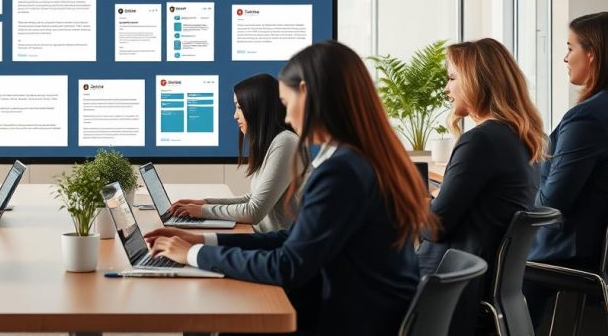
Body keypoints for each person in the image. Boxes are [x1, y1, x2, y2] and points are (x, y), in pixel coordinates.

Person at [146, 41, 436, 336]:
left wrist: (193, 254)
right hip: (364, 311)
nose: (285, 118)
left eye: (286, 104)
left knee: (222, 309)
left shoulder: (343, 170)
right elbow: (293, 238)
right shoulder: (361, 158)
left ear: (307, 94)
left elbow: (288, 265)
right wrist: (203, 240)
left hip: (345, 320)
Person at [417, 38, 544, 336]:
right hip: (481, 280)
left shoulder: (481, 140)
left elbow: (434, 228)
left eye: (451, 78)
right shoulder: (522, 138)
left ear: (476, 81)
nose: (447, 89)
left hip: (449, 281)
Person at [526, 11, 608, 323]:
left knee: (481, 257)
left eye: (571, 48)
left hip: (573, 249)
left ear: (592, 54)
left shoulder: (588, 117)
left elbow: (551, 204)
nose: (565, 57)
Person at [169, 73, 300, 232]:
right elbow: (252, 198)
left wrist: (202, 211)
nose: (234, 115)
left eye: (239, 107)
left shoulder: (286, 142)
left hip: (282, 248)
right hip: (266, 239)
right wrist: (204, 203)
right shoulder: (275, 143)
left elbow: (254, 212)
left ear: (257, 107)